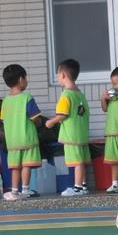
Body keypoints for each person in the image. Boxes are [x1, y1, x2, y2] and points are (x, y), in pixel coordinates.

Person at [45, 58, 90, 196]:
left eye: (58, 74)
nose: (58, 77)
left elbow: (62, 114)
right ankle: (83, 186)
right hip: (82, 134)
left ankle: (77, 187)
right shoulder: (80, 94)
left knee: (77, 162)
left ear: (63, 75)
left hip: (71, 135)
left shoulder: (66, 95)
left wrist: (51, 122)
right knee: (81, 161)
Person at [1, 63, 42, 200]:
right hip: (27, 138)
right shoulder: (27, 98)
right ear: (20, 79)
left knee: (15, 167)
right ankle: (25, 189)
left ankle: (14, 191)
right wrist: (39, 123)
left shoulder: (5, 102)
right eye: (25, 77)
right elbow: (36, 118)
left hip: (12, 142)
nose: (26, 80)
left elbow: (3, 120)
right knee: (26, 165)